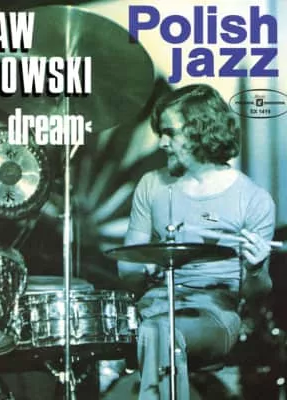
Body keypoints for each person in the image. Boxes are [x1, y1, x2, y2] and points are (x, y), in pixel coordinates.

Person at [118, 84, 275, 399]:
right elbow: (128, 271)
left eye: (169, 133)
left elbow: (256, 294)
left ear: (201, 131)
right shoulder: (151, 185)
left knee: (158, 332)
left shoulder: (253, 199)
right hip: (152, 305)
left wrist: (256, 268)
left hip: (214, 313)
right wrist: (142, 267)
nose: (161, 143)